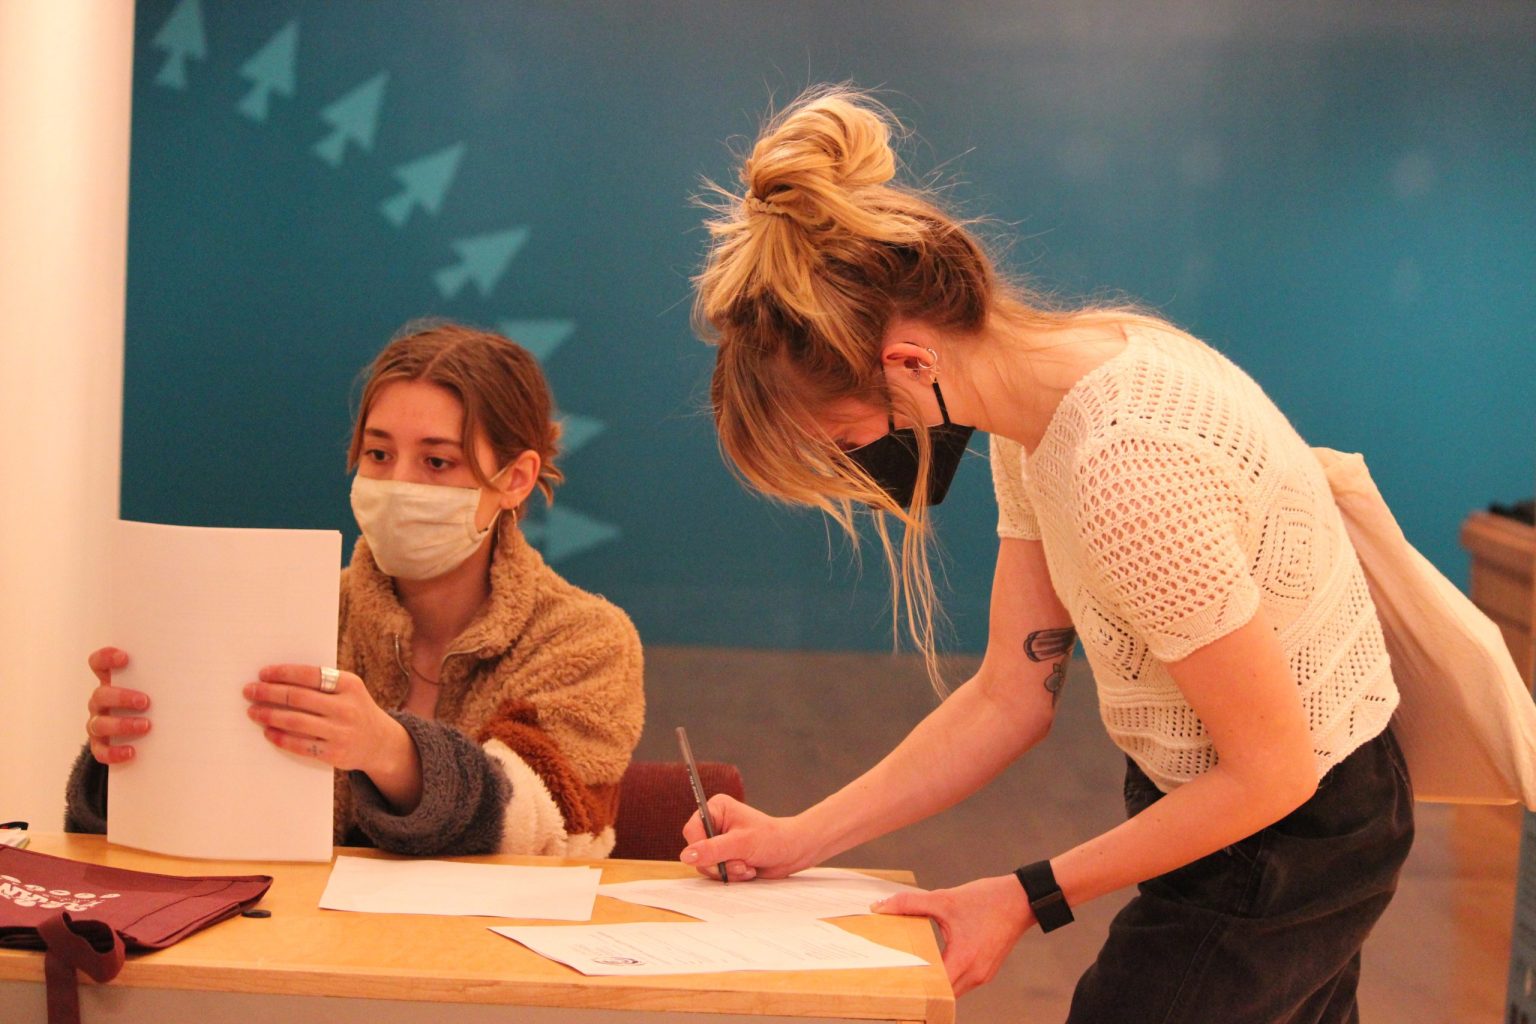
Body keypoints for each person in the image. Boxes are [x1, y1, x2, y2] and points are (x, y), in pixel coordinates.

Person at [681, 88, 1412, 1021]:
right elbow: (1007, 694)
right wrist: (802, 836)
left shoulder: (1123, 460)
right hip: (1242, 792)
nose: (855, 463)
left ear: (907, 364)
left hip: (1296, 820)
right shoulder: (1049, 410)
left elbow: (1274, 771)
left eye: (843, 434)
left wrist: (1024, 896)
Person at [66, 321, 645, 858]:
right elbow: (199, 834)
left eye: (437, 462)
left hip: (491, 958)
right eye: (379, 454)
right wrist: (131, 762)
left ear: (514, 479)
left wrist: (389, 750)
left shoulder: (586, 639)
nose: (398, 484)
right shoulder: (293, 613)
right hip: (298, 949)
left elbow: (555, 830)